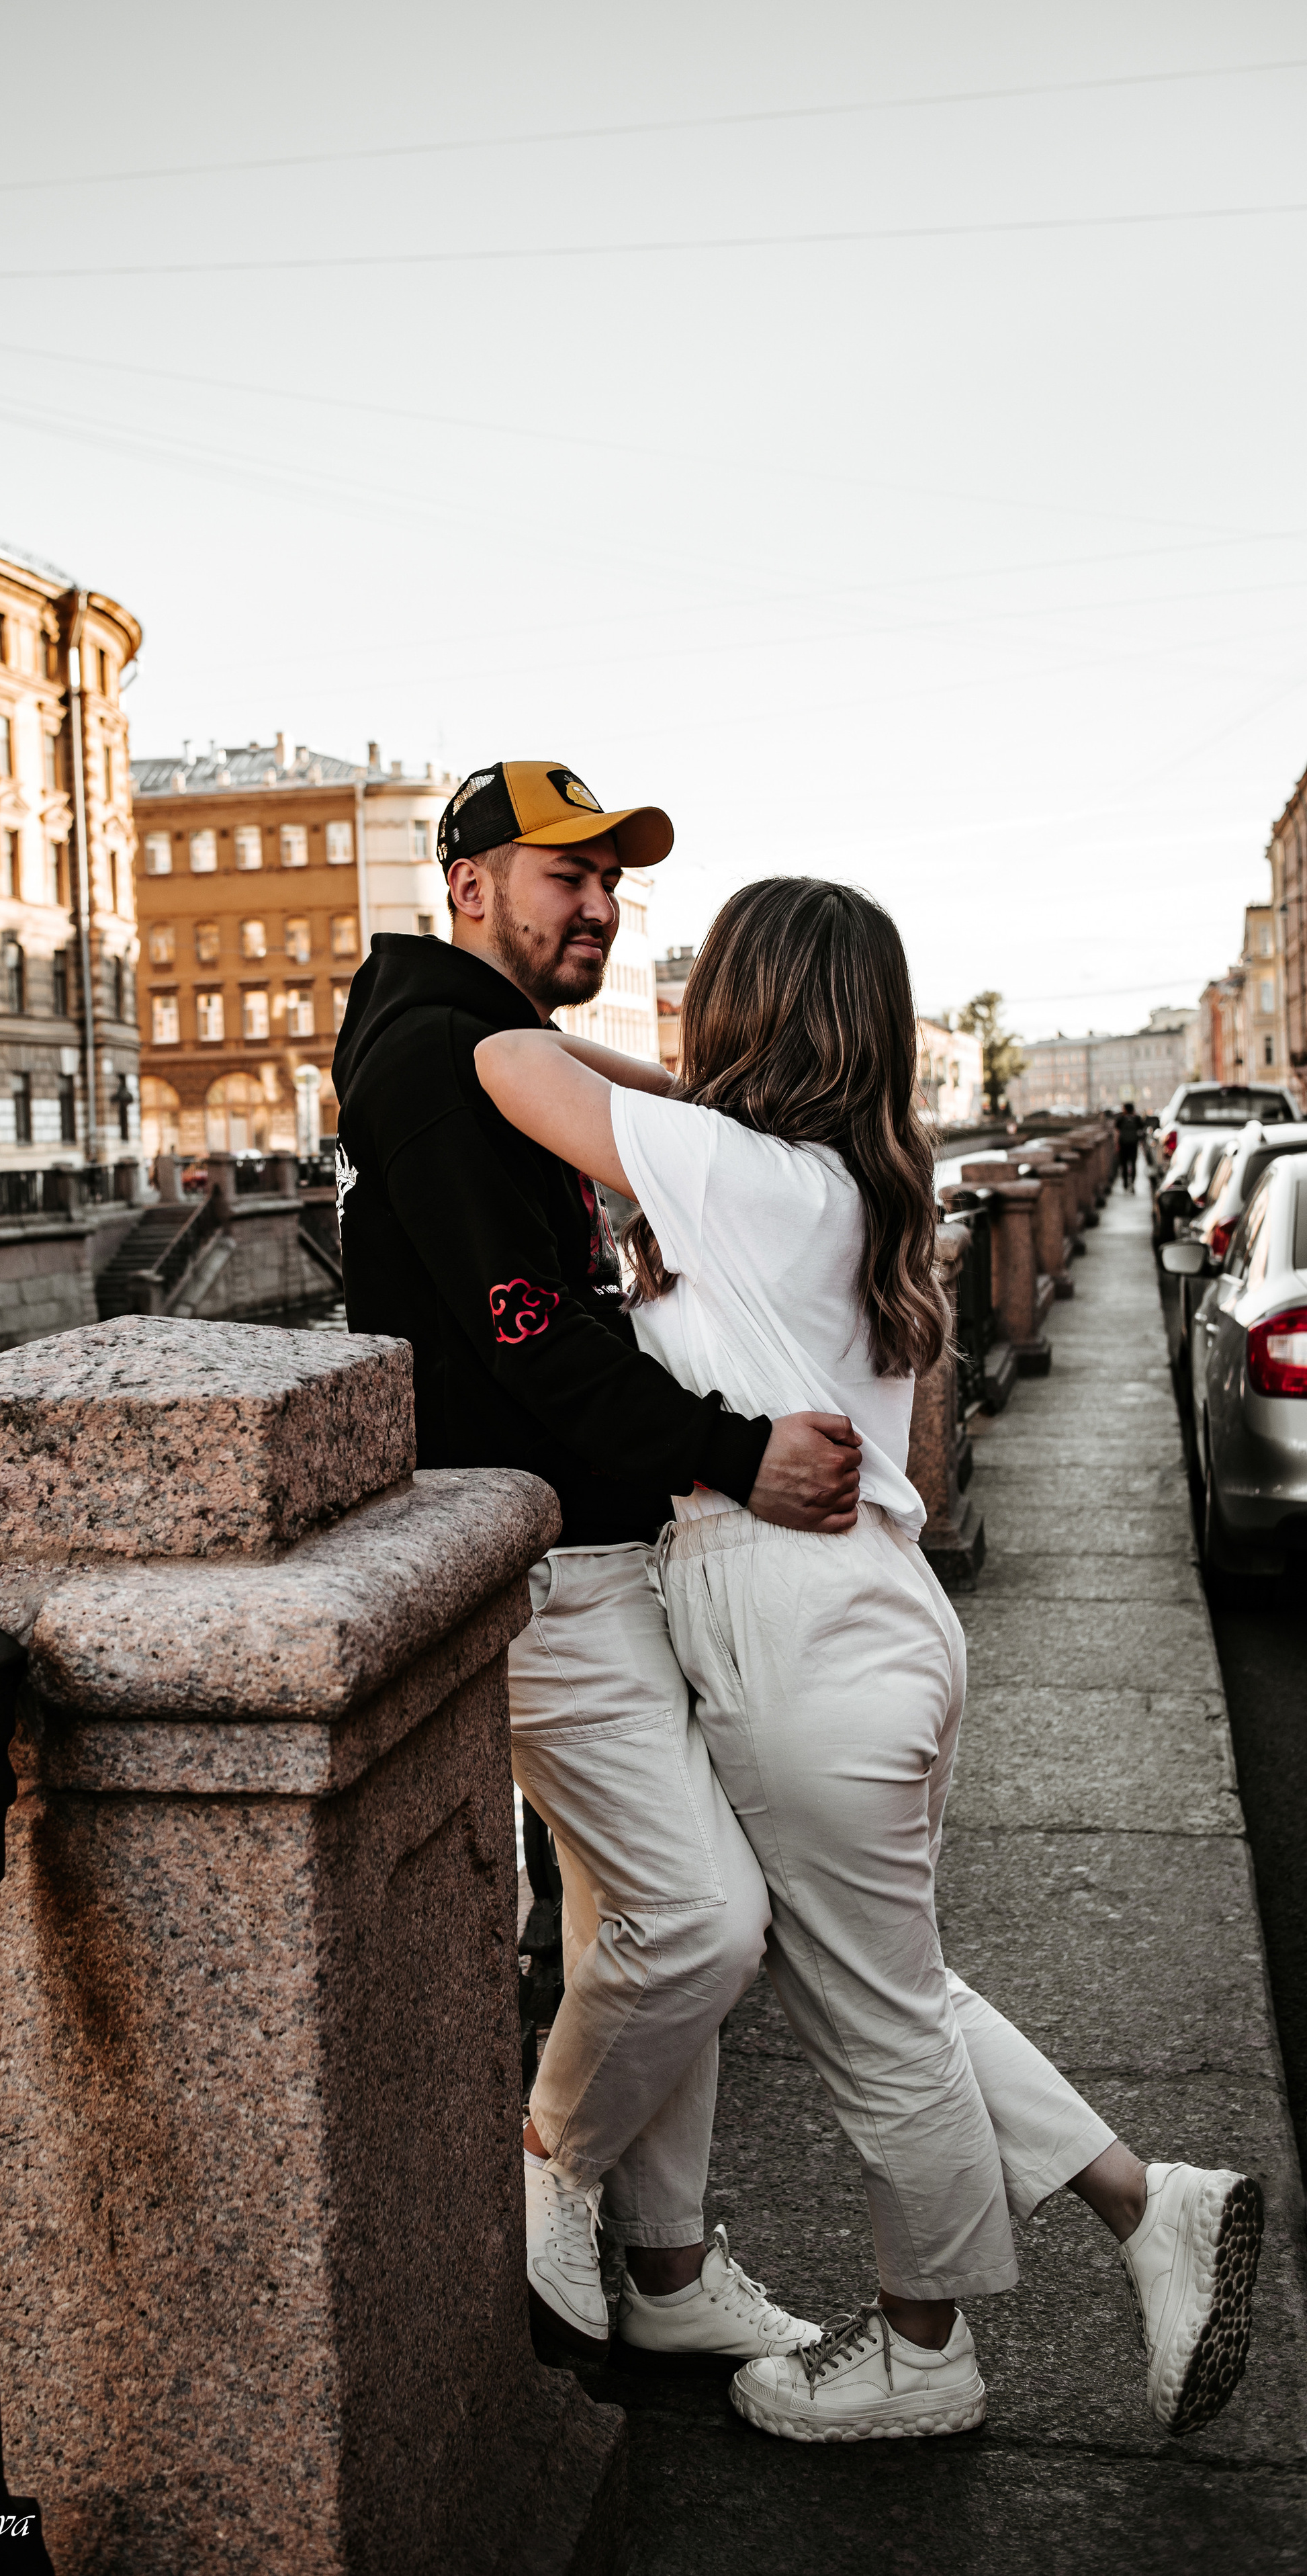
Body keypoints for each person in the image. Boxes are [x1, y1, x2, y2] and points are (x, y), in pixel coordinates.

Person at [474, 875, 1264, 2443]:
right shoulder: (846, 1181)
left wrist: (658, 1083)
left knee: (875, 2024)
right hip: (869, 1616)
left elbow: (506, 1065)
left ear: (744, 1009)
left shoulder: (737, 1174)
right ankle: (1139, 2201)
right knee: (895, 1980)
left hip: (792, 1632)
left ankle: (925, 2349)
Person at [332, 761, 850, 2372]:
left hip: (584, 1535)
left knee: (639, 1909)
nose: (600, 903)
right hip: (535, 1555)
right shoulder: (437, 1053)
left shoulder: (490, 1042)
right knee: (699, 1920)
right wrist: (730, 1444)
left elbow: (649, 1140)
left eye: (610, 878)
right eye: (564, 874)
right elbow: (523, 1332)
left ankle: (670, 2259)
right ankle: (546, 2154)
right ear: (470, 883)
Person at [1116, 1100, 1144, 1191]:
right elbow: (1141, 1130)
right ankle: (1132, 1183)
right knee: (1133, 1164)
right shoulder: (1137, 1119)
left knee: (1124, 1164)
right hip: (1133, 1145)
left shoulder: (1121, 1119)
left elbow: (1117, 1131)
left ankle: (1125, 1183)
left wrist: (1117, 1144)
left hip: (1123, 1145)